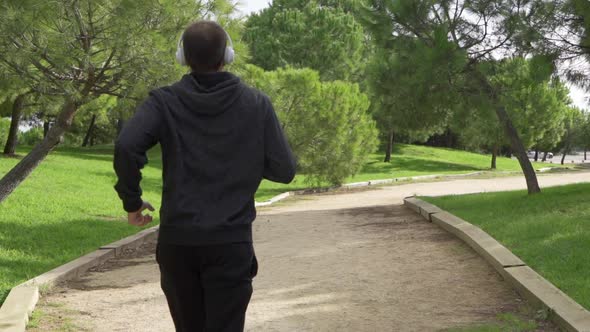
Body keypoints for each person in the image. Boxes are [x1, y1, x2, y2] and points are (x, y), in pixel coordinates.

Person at [113, 20, 296, 332]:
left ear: (182, 56)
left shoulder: (163, 101)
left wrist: (132, 202)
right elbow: (285, 170)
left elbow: (127, 146)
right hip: (230, 242)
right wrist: (241, 160)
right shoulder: (256, 104)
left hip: (178, 242)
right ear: (227, 55)